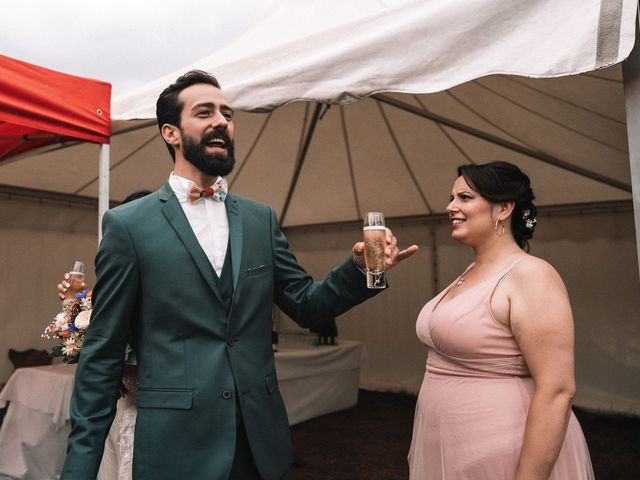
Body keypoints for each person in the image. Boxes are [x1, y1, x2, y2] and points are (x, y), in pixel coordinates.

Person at [60, 70, 418, 480]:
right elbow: (102, 354)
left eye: (227, 114)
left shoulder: (259, 218)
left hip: (258, 443)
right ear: (171, 133)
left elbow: (306, 303)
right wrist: (79, 469)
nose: (221, 121)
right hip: (176, 448)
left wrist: (360, 269)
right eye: (205, 112)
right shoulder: (128, 226)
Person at [408, 161, 594, 480]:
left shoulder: (532, 276)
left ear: (504, 208)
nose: (450, 207)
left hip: (502, 450)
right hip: (450, 447)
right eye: (452, 198)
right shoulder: (469, 273)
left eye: (464, 198)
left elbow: (558, 389)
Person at [57, 190, 152, 480]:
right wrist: (72, 308)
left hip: (152, 403)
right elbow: (84, 343)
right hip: (116, 402)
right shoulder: (114, 278)